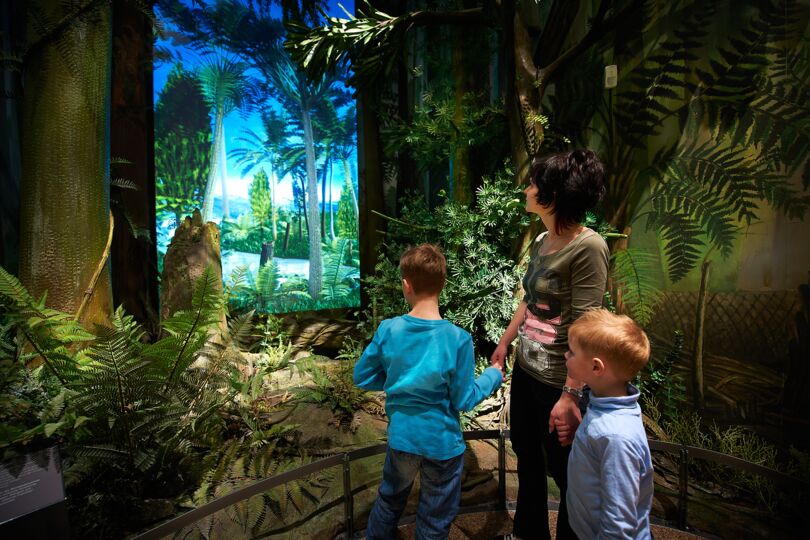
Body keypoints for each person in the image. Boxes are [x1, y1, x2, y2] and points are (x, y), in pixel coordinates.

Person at [491, 149, 609, 540]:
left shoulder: (589, 248)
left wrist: (572, 395)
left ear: (553, 195)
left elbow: (586, 325)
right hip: (528, 371)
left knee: (565, 470)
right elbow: (529, 299)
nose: (526, 189)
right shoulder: (543, 239)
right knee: (526, 455)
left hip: (561, 382)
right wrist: (506, 342)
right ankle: (528, 533)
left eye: (533, 184)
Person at [354, 243, 503, 540]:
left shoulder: (389, 329)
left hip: (403, 439)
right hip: (442, 444)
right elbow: (464, 399)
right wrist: (492, 377)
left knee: (389, 502)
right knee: (434, 519)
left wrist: (400, 379)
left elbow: (363, 375)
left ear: (406, 285)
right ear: (443, 285)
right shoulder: (458, 339)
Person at [565, 308, 653, 539]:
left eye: (572, 353)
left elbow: (618, 525)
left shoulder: (616, 437)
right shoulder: (604, 401)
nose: (566, 356)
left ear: (596, 367)